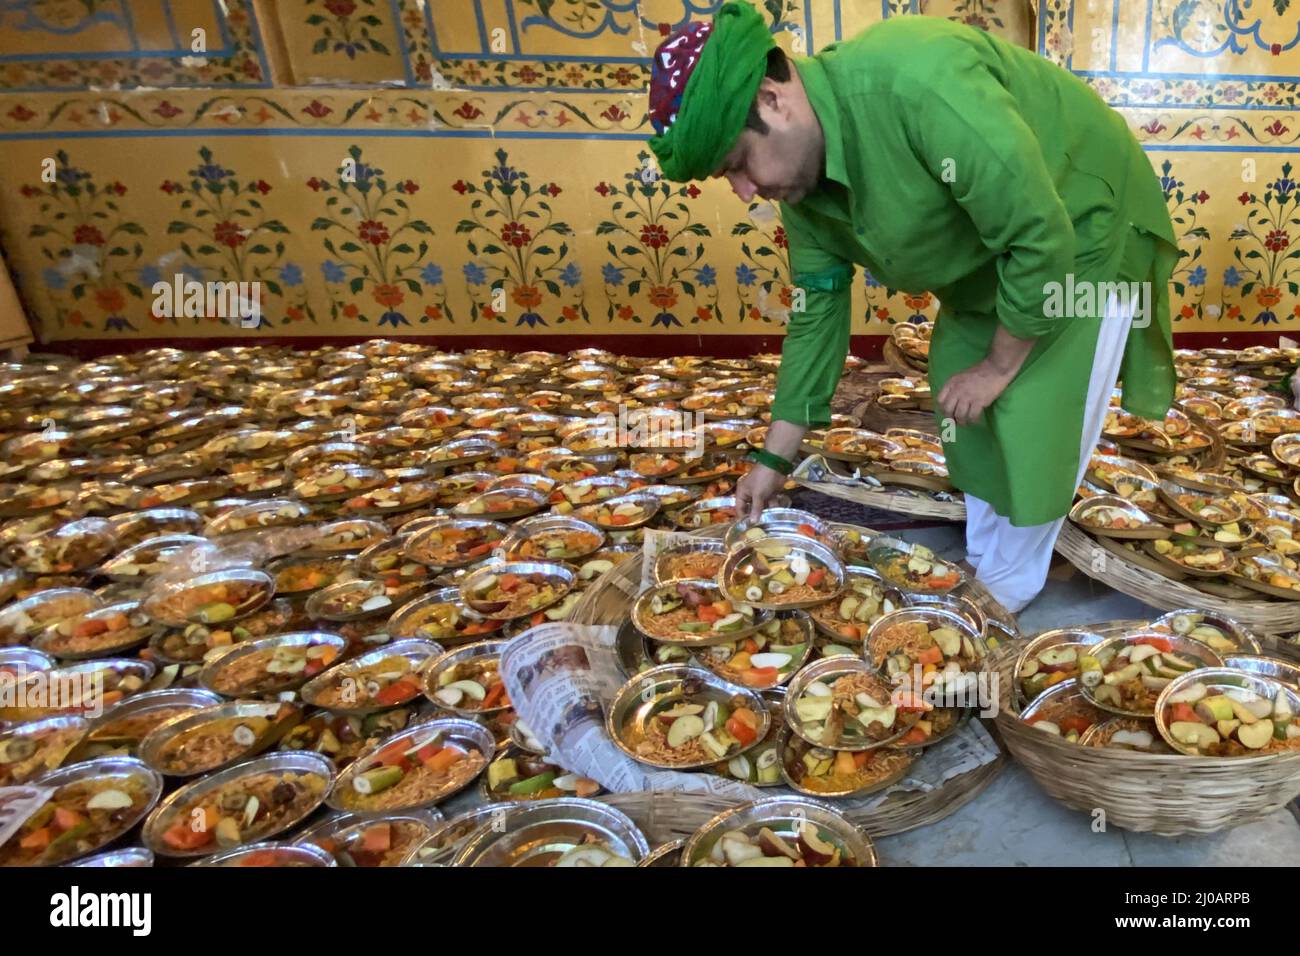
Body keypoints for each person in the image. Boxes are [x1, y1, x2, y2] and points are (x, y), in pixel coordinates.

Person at [646, 3, 1179, 613]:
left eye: (737, 165)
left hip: (1081, 231)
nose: (744, 192)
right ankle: (987, 570)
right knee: (963, 402)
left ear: (772, 99)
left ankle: (1003, 598)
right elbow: (816, 314)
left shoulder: (917, 80)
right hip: (995, 262)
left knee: (1034, 411)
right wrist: (773, 460)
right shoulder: (803, 191)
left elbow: (1039, 235)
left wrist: (1001, 367)